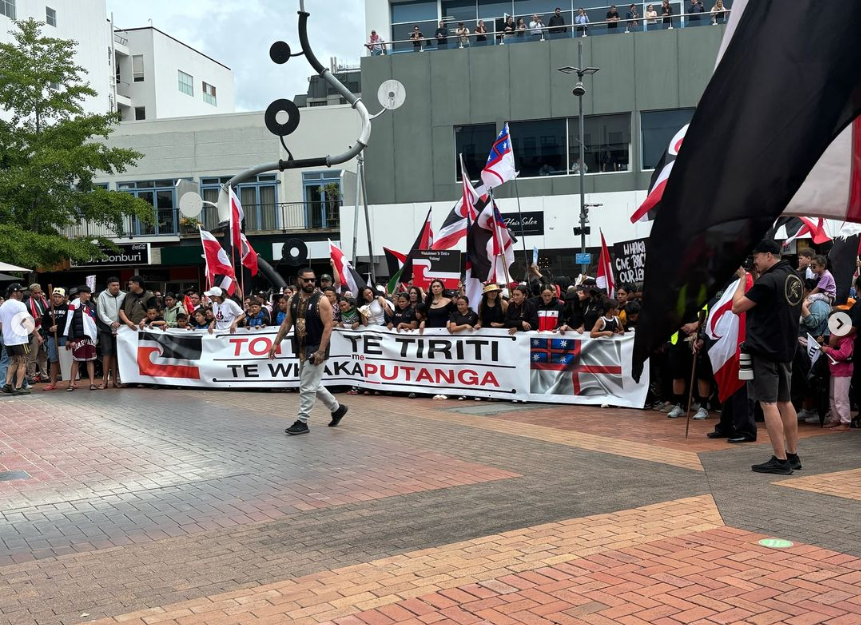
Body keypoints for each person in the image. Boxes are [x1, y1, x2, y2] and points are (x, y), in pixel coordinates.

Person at [732, 239, 803, 474]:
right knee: (785, 401)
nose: (755, 262)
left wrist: (742, 280)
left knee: (769, 403)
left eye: (757, 257)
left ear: (769, 255)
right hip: (785, 349)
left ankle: (780, 460)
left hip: (765, 349)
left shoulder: (768, 280)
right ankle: (792, 455)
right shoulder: (794, 277)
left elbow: (738, 307)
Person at [268, 268, 347, 435]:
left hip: (317, 347)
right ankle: (337, 408)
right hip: (302, 347)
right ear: (299, 281)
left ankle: (302, 421)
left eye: (313, 280)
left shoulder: (322, 300)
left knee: (306, 386)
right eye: (307, 280)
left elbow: (328, 326)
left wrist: (321, 351)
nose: (310, 283)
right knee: (313, 384)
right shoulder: (293, 299)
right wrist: (276, 343)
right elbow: (287, 322)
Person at [63, 285, 98, 391]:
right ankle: (72, 383)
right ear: (82, 294)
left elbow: (94, 322)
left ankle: (92, 383)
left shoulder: (91, 305)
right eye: (87, 293)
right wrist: (71, 339)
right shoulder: (74, 305)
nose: (89, 295)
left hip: (90, 336)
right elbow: (69, 323)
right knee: (76, 360)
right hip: (78, 336)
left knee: (90, 360)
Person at [0, 283, 34, 395]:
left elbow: (1, 324)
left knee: (13, 361)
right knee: (22, 361)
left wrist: (5, 334)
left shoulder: (3, 306)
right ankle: (19, 387)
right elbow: (26, 321)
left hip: (8, 339)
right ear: (14, 292)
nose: (22, 293)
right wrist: (37, 334)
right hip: (19, 338)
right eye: (20, 291)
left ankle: (8, 384)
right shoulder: (20, 305)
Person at [821, 318, 853, 431]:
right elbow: (832, 349)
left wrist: (827, 350)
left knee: (841, 397)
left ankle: (845, 421)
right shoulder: (834, 334)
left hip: (843, 371)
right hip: (834, 370)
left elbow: (844, 354)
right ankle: (836, 419)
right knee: (833, 396)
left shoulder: (846, 337)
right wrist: (823, 345)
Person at [97, 277, 125, 388]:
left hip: (120, 329)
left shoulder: (123, 295)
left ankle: (115, 381)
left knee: (115, 355)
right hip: (106, 328)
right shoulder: (102, 295)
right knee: (106, 354)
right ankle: (104, 381)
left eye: (117, 285)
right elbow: (100, 312)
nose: (116, 287)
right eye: (113, 285)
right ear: (108, 286)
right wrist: (111, 322)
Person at [42, 287, 69, 391]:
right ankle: (53, 382)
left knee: (66, 359)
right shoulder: (49, 309)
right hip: (52, 337)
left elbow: (70, 324)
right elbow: (44, 324)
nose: (57, 299)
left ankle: (71, 381)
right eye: (55, 297)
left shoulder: (67, 308)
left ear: (64, 298)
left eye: (59, 297)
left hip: (64, 337)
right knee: (53, 359)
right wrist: (50, 328)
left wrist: (70, 338)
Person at [24, 283, 49, 383]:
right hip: (33, 330)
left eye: (40, 292)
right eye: (36, 293)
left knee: (44, 354)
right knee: (33, 355)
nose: (38, 295)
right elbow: (25, 320)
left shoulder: (45, 302)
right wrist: (35, 319)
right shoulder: (27, 304)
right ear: (31, 293)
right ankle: (32, 375)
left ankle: (44, 375)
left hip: (43, 329)